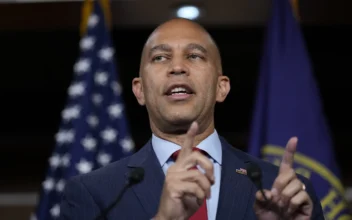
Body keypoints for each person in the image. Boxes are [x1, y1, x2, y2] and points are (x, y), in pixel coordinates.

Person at [59, 18, 324, 220]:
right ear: (139, 90)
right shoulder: (92, 192)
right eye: (160, 57)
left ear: (222, 87)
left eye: (194, 56)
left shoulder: (286, 191)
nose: (177, 67)